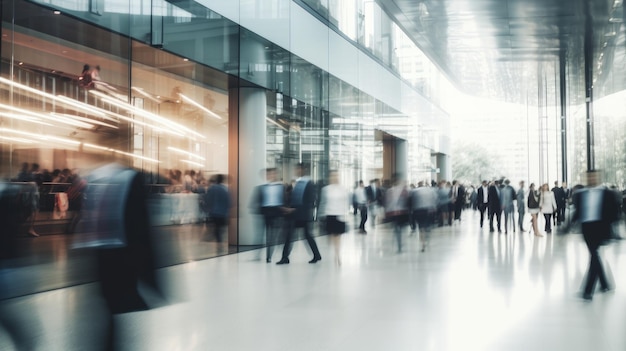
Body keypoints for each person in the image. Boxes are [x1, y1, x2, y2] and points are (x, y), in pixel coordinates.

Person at [571, 171, 621, 300]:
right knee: (595, 255)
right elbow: (578, 211)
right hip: (586, 228)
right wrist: (567, 226)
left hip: (600, 228)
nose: (591, 178)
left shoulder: (608, 193)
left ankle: (588, 291)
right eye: (589, 177)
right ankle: (605, 284)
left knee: (594, 255)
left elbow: (614, 212)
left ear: (598, 178)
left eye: (594, 176)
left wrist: (614, 230)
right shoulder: (581, 194)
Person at [277, 163, 322, 264]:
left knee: (307, 235)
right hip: (294, 214)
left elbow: (310, 201)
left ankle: (316, 255)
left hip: (303, 215)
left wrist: (295, 210)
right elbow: (294, 198)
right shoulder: (297, 182)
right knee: (289, 236)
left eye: (298, 169)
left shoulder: (309, 183)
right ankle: (285, 257)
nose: (296, 171)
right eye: (296, 169)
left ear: (303, 170)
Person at [251, 168, 286, 263]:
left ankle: (269, 256)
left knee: (272, 235)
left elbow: (285, 199)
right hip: (265, 212)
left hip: (277, 211)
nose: (271, 176)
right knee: (263, 234)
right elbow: (256, 200)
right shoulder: (261, 187)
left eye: (273, 174)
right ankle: (260, 254)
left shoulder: (281, 186)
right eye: (269, 174)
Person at [317, 170, 349, 265]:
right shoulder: (326, 189)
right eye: (333, 176)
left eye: (336, 175)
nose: (335, 177)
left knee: (337, 236)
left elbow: (346, 202)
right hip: (329, 214)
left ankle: (337, 255)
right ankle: (335, 252)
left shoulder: (343, 189)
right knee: (332, 236)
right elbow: (322, 202)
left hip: (339, 214)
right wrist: (320, 215)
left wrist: (345, 214)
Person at [385, 174, 410, 253]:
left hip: (393, 213)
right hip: (402, 213)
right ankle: (400, 245)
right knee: (400, 229)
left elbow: (387, 203)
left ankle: (399, 245)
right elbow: (408, 202)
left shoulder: (390, 191)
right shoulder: (404, 190)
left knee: (397, 229)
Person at [204, 174, 231, 244]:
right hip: (223, 212)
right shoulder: (225, 189)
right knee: (220, 228)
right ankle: (218, 240)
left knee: (217, 227)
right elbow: (229, 201)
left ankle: (217, 240)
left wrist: (207, 208)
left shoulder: (212, 188)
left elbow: (207, 199)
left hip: (213, 212)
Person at [411, 181, 438, 252]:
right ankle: (427, 238)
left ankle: (423, 244)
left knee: (421, 228)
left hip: (418, 211)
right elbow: (435, 199)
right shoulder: (430, 190)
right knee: (428, 226)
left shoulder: (415, 191)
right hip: (429, 210)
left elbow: (411, 201)